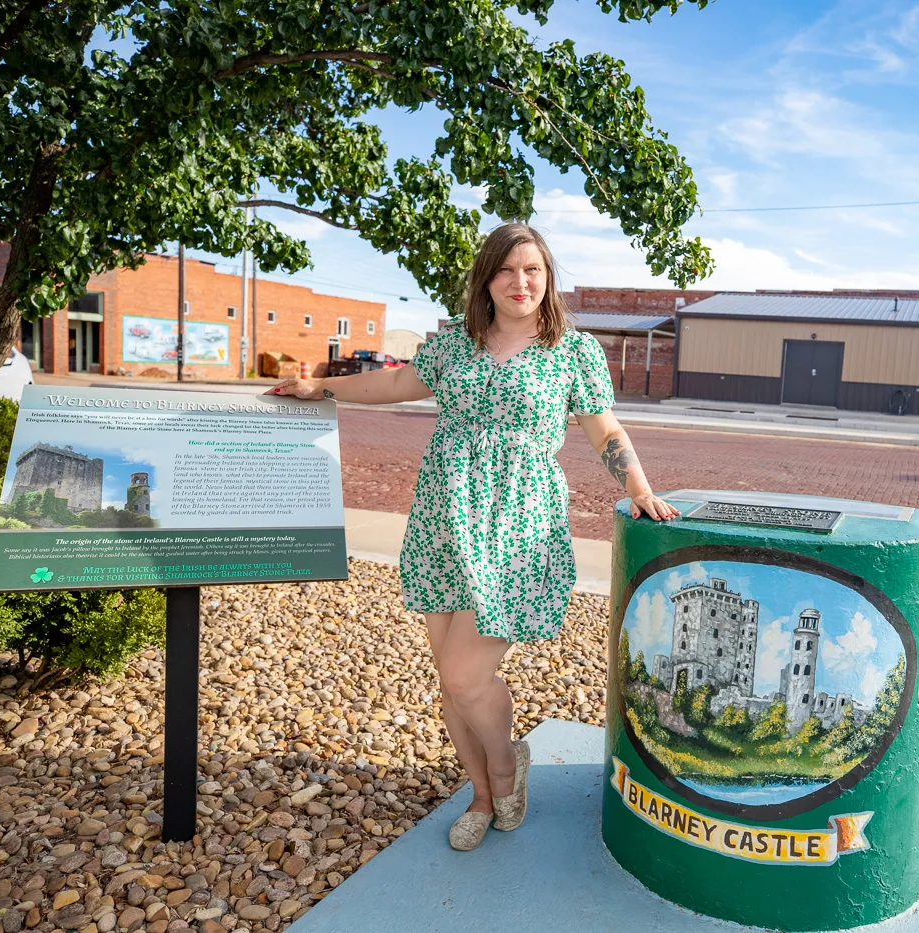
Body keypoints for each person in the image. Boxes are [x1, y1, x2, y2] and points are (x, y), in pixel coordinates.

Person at [267, 223, 679, 850]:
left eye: (534, 270)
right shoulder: (455, 346)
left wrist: (638, 487)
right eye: (508, 270)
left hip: (520, 525)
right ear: (487, 278)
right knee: (449, 677)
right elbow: (396, 384)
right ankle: (483, 797)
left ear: (548, 278)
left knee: (465, 676)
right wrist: (318, 386)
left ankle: (509, 768)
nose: (522, 282)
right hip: (444, 517)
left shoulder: (573, 350)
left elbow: (603, 427)